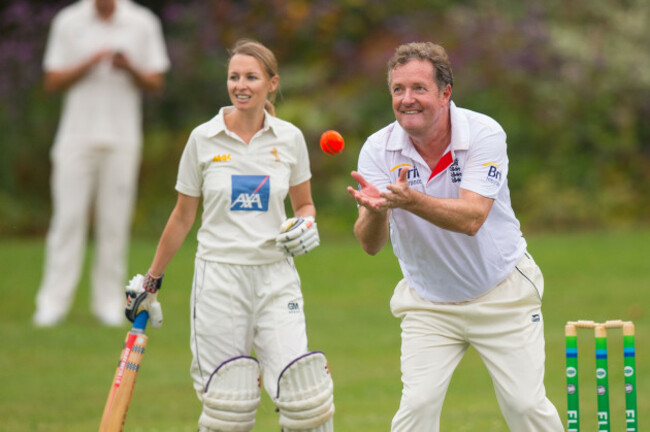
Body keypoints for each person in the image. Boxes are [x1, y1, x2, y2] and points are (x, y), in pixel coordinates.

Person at [346, 42, 563, 431]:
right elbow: (369, 243)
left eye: (418, 89)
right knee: (416, 409)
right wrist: (377, 213)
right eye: (398, 90)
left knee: (526, 407)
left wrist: (408, 200)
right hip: (428, 303)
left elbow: (472, 217)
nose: (406, 100)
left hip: (501, 293)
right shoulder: (378, 149)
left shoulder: (483, 134)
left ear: (445, 93)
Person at [124, 39, 334, 432]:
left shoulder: (289, 139)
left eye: (251, 77)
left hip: (276, 277)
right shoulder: (203, 139)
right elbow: (183, 216)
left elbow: (305, 205)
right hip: (219, 280)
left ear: (271, 84)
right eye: (234, 77)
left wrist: (305, 223)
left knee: (304, 397)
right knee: (227, 406)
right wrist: (151, 281)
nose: (241, 85)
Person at [33, 0, 170, 327]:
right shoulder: (68, 20)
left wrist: (129, 67)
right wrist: (89, 62)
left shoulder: (141, 22)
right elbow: (51, 81)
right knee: (68, 220)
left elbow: (156, 81)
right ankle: (52, 303)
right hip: (75, 138)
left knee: (114, 222)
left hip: (122, 139)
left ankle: (109, 302)